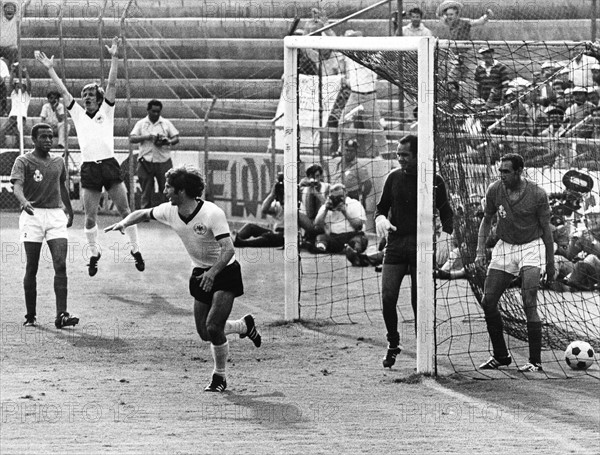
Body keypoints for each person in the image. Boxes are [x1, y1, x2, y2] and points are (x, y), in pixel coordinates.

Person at [104, 165, 262, 392]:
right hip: (200, 272)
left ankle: (220, 376)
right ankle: (243, 326)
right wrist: (124, 222)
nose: (165, 190)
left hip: (224, 271)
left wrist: (213, 272)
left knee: (213, 326)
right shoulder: (170, 210)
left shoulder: (212, 213)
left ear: (182, 191)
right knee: (204, 333)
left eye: (168, 187)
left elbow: (228, 249)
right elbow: (144, 213)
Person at [36, 37, 145, 277]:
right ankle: (94, 253)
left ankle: (135, 249)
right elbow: (64, 92)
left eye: (90, 95)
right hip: (89, 168)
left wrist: (115, 57)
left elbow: (113, 83)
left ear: (98, 97)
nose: (86, 98)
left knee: (125, 211)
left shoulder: (107, 109)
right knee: (89, 217)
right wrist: (51, 70)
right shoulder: (77, 113)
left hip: (109, 164)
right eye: (84, 95)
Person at [375, 135, 454, 368]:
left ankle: (423, 348)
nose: (400, 159)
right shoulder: (393, 177)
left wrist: (446, 240)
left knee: (418, 300)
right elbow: (381, 208)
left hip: (422, 245)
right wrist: (380, 219)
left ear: (418, 155)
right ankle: (393, 342)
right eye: (398, 154)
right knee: (388, 297)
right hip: (396, 243)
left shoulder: (434, 180)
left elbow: (446, 212)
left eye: (405, 155)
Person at [475, 153, 555, 372]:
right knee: (488, 302)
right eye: (500, 171)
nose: (502, 175)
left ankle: (535, 361)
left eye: (506, 171)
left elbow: (547, 231)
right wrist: (480, 250)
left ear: (520, 171)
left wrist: (550, 263)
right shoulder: (494, 190)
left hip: (531, 246)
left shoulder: (537, 194)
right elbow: (486, 220)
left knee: (529, 300)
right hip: (505, 246)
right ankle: (501, 356)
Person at [9, 122, 77, 328]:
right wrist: (24, 201)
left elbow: (62, 186)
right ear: (34, 139)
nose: (49, 140)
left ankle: (62, 315)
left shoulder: (58, 162)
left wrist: (69, 209)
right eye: (44, 137)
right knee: (32, 266)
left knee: (60, 263)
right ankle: (31, 315)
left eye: (51, 136)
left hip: (55, 216)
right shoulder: (23, 161)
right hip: (33, 216)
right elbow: (17, 187)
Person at [338, 29, 388, 158]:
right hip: (355, 96)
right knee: (343, 121)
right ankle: (342, 150)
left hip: (369, 96)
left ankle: (384, 153)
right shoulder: (349, 55)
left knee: (375, 127)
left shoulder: (372, 55)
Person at [129, 99, 179, 209]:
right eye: (153, 111)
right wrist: (147, 137)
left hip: (163, 160)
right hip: (145, 161)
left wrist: (168, 141)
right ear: (148, 111)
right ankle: (145, 213)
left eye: (158, 112)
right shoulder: (141, 124)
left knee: (167, 188)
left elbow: (176, 138)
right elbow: (132, 138)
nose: (155, 114)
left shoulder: (166, 123)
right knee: (146, 189)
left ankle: (167, 212)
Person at [313, 183, 367, 254]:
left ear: (345, 194)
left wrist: (345, 212)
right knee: (321, 237)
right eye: (334, 197)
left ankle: (353, 252)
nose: (337, 199)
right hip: (334, 237)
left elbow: (359, 226)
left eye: (340, 197)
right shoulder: (326, 206)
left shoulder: (355, 204)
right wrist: (326, 210)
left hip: (352, 235)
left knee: (360, 239)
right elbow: (316, 225)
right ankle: (322, 248)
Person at [233, 174, 284, 248]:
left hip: (285, 235)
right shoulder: (277, 203)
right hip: (275, 232)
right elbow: (264, 210)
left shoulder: (294, 202)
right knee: (250, 227)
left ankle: (242, 243)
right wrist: (272, 194)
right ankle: (233, 240)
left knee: (269, 235)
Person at [332, 139, 372, 205]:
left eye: (351, 151)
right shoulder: (340, 164)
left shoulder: (359, 167)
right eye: (347, 150)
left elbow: (368, 185)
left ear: (355, 152)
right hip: (338, 197)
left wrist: (362, 197)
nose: (348, 153)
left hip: (352, 198)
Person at [0, 63, 30, 147]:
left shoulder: (26, 95)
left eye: (22, 87)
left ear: (24, 88)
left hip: (22, 116)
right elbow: (10, 83)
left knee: (19, 133)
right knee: (2, 130)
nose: (19, 89)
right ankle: (2, 146)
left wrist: (26, 72)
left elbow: (29, 83)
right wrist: (12, 71)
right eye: (17, 87)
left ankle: (19, 147)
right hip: (12, 116)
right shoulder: (14, 93)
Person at [0, 1, 31, 65]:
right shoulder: (1, 18)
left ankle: (12, 68)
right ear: (3, 11)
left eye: (11, 9)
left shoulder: (17, 19)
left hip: (11, 49)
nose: (9, 10)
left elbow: (25, 5)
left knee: (13, 52)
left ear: (15, 11)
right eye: (7, 8)